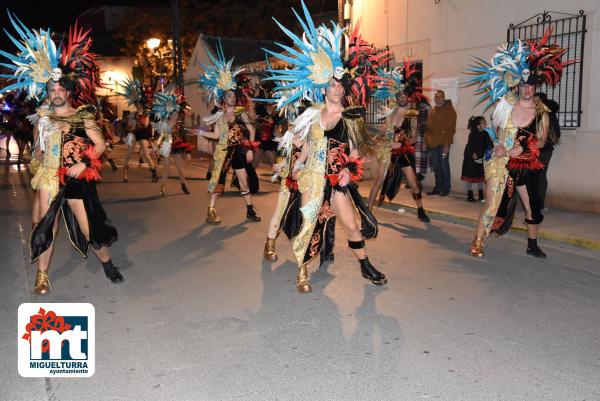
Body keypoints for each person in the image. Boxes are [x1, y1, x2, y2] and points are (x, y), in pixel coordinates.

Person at [265, 0, 386, 292]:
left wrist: (348, 171)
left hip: (336, 180)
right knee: (308, 223)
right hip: (312, 176)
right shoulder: (311, 116)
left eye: (341, 86)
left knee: (353, 225)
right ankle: (302, 270)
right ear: (324, 88)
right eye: (332, 85)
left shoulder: (351, 118)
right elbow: (305, 147)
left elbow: (355, 154)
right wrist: (291, 165)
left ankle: (365, 265)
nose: (337, 88)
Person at [0, 15, 124, 294]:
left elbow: (101, 145)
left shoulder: (83, 116)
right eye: (51, 90)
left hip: (76, 178)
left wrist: (84, 162)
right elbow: (39, 148)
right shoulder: (41, 118)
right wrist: (38, 151)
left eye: (60, 90)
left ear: (68, 93)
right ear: (46, 94)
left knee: (90, 228)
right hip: (48, 179)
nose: (56, 94)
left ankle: (107, 264)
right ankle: (42, 275)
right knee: (47, 225)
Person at [466, 28, 572, 258]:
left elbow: (542, 141)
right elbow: (495, 129)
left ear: (536, 86)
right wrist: (498, 145)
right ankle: (478, 241)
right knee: (492, 203)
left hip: (524, 164)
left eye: (531, 85)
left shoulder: (542, 112)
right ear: (518, 85)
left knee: (532, 206)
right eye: (523, 85)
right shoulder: (507, 103)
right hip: (500, 161)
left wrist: (523, 148)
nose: (527, 89)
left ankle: (532, 245)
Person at [198, 40, 261, 224]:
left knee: (243, 182)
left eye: (234, 95)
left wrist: (249, 148)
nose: (232, 97)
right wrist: (201, 132)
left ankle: (250, 210)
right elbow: (217, 136)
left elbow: (251, 130)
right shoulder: (219, 117)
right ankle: (210, 211)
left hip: (238, 152)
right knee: (218, 182)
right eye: (229, 95)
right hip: (223, 151)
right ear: (223, 98)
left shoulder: (241, 114)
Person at [369, 63, 430, 222]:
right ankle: (367, 211)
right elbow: (386, 130)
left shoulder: (411, 112)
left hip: (403, 153)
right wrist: (380, 138)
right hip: (388, 151)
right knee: (379, 180)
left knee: (413, 183)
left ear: (408, 96)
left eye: (404, 95)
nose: (401, 97)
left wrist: (405, 142)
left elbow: (415, 136)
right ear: (396, 96)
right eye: (399, 95)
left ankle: (420, 209)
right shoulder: (392, 110)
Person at [116, 77, 158, 183]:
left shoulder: (145, 114)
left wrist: (142, 118)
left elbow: (146, 124)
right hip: (133, 134)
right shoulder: (132, 114)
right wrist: (132, 125)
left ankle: (154, 173)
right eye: (137, 104)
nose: (138, 105)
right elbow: (129, 126)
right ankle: (124, 174)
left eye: (139, 104)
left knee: (146, 154)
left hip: (142, 134)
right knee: (129, 154)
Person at [152, 88, 193, 197]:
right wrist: (156, 146)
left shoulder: (179, 122)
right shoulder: (165, 122)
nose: (175, 115)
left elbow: (184, 136)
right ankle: (163, 187)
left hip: (176, 145)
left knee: (180, 168)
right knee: (166, 168)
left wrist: (188, 151)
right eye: (173, 113)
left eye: (176, 113)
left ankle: (183, 185)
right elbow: (162, 135)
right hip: (166, 144)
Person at [425, 90, 456, 196]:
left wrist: (447, 145)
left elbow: (450, 129)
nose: (437, 98)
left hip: (444, 145)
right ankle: (438, 187)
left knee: (444, 166)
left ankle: (445, 189)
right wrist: (426, 142)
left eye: (440, 96)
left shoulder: (450, 110)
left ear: (444, 97)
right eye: (436, 97)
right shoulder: (432, 111)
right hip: (433, 145)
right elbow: (427, 128)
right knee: (436, 167)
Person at [534, 92, 560, 210]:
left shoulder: (544, 114)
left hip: (542, 149)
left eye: (536, 100)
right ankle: (536, 204)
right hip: (539, 149)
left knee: (538, 176)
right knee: (538, 176)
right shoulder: (545, 113)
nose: (534, 102)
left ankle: (537, 204)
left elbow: (556, 133)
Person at [460, 116, 487, 202]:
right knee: (469, 176)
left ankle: (481, 195)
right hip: (470, 159)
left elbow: (485, 146)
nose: (486, 124)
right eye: (484, 123)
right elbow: (470, 146)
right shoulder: (472, 134)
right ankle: (470, 194)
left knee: (480, 176)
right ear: (478, 126)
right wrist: (472, 153)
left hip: (480, 158)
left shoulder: (485, 134)